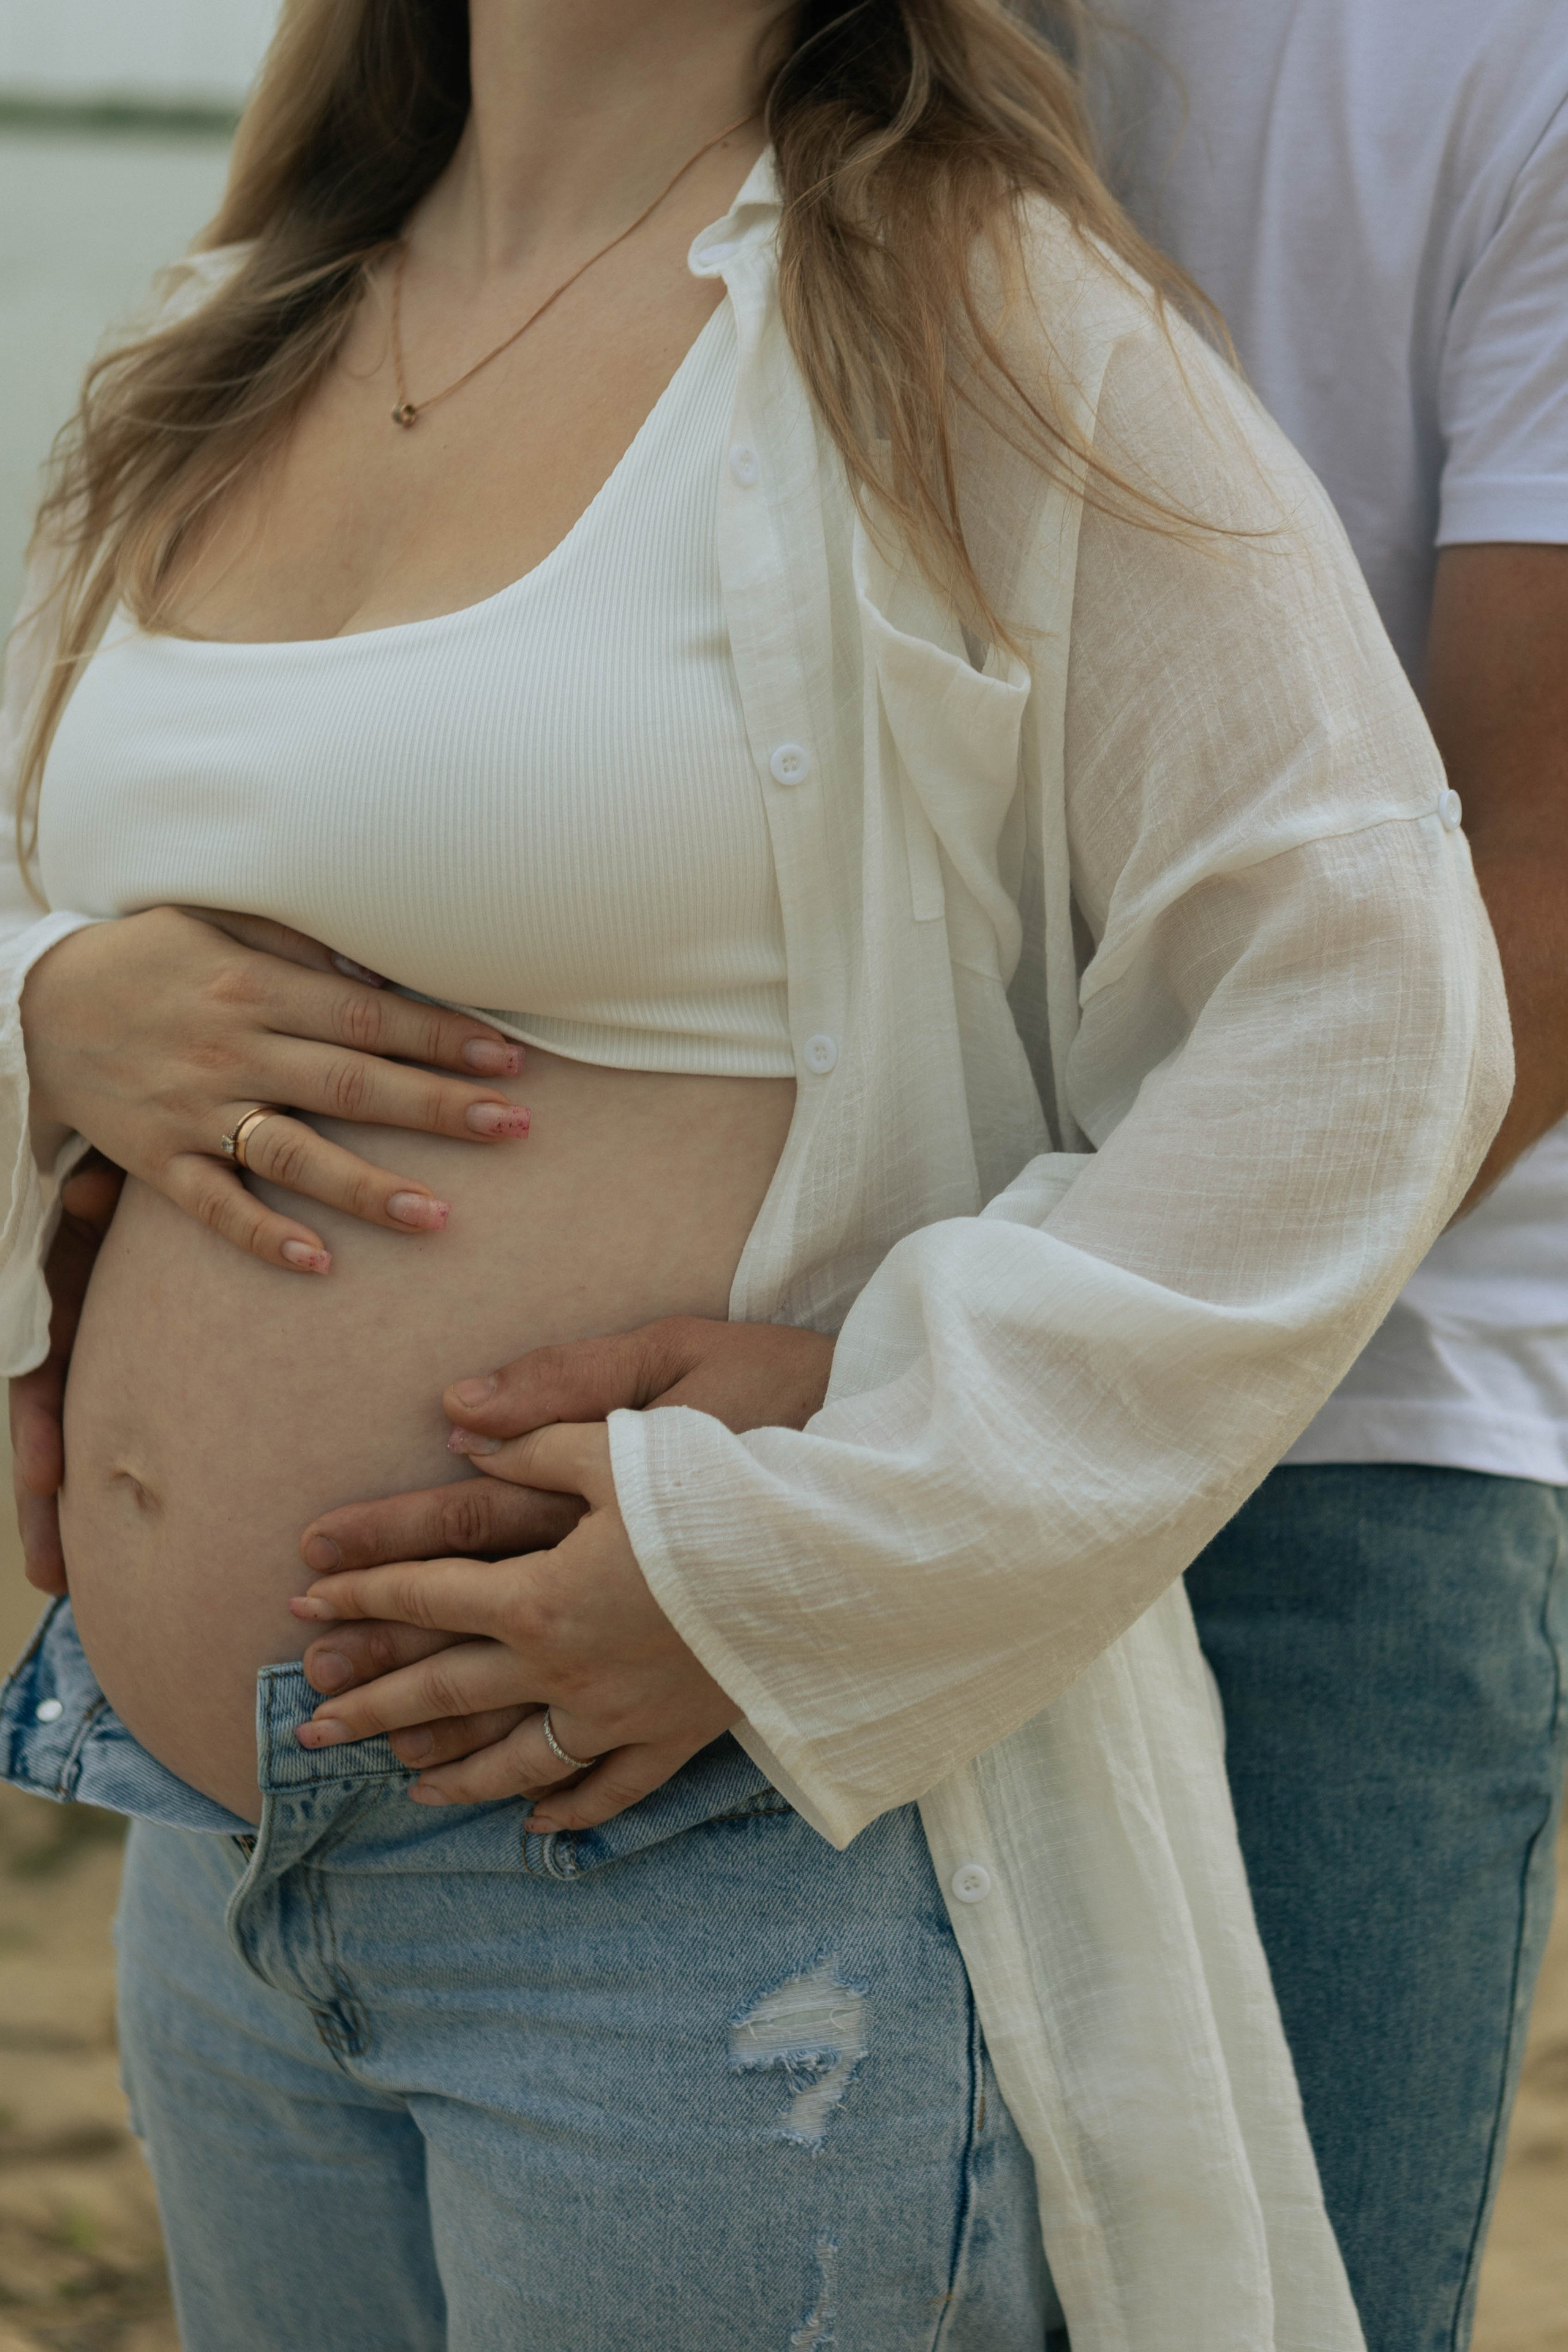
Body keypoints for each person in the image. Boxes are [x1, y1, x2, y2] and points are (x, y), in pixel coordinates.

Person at [0, 1, 1509, 2345]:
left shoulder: (975, 312)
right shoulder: (223, 339)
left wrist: (807, 1542)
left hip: (698, 1875)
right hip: (216, 1871)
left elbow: (1368, 1003)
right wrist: (47, 1019)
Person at [1084, 6, 1568, 2345]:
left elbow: (1544, 892)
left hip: (1340, 1432)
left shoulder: (1505, 66)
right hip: (785, 1385)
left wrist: (1010, 1406)